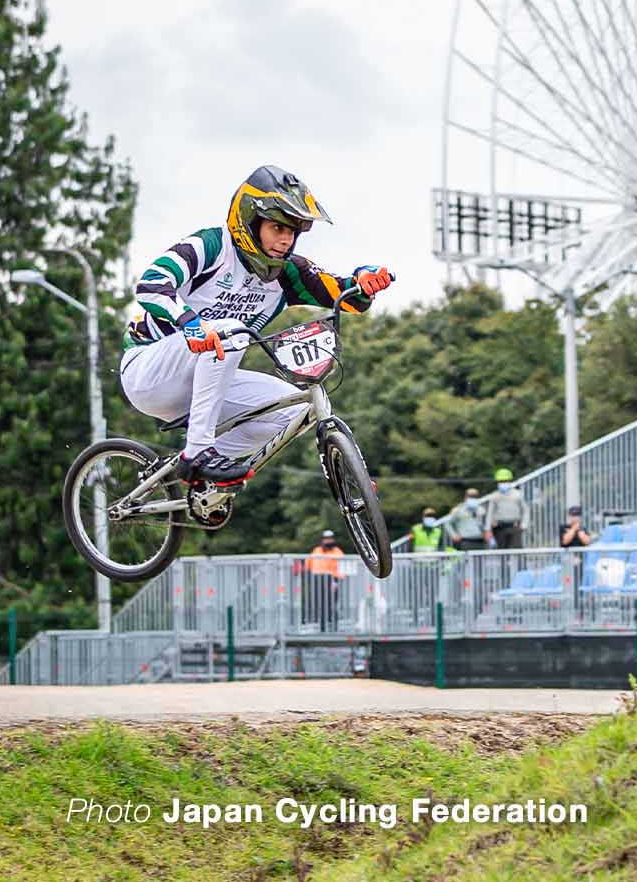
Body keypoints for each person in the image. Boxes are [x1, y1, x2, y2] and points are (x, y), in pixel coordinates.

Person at [118, 166, 394, 483]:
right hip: (150, 372)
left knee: (295, 411)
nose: (285, 240)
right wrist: (192, 325)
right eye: (277, 227)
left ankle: (205, 482)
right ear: (250, 220)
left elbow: (344, 294)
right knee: (230, 330)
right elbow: (151, 285)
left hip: (211, 379)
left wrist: (364, 281)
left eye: (292, 231)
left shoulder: (288, 272)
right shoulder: (210, 246)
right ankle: (197, 452)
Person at [306, 530, 346, 631]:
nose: (328, 541)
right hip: (318, 580)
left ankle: (334, 627)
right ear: (322, 540)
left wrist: (335, 581)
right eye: (326, 539)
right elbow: (308, 565)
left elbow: (342, 568)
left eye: (330, 539)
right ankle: (323, 628)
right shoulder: (316, 550)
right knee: (321, 605)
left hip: (332, 581)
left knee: (332, 605)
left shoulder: (337, 552)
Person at [484, 468, 526, 549]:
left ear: (510, 481)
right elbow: (490, 514)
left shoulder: (518, 495)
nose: (503, 483)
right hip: (499, 528)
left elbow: (525, 510)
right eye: (501, 481)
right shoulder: (494, 496)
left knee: (517, 550)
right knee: (501, 552)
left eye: (505, 481)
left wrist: (524, 524)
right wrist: (488, 529)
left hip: (515, 527)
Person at [445, 487, 486, 552]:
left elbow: (485, 524)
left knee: (479, 562)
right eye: (471, 497)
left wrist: (486, 533)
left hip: (480, 541)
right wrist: (454, 535)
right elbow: (447, 523)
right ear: (466, 497)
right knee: (465, 561)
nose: (473, 499)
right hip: (465, 541)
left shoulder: (482, 510)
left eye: (475, 497)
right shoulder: (458, 510)